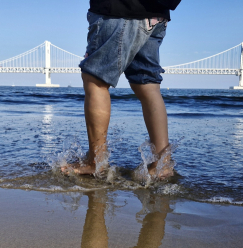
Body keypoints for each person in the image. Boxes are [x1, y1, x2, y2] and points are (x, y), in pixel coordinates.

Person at [63, 0, 180, 179]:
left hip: (119, 10)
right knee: (147, 85)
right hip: (157, 13)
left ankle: (96, 162)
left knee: (95, 79)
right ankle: (162, 164)